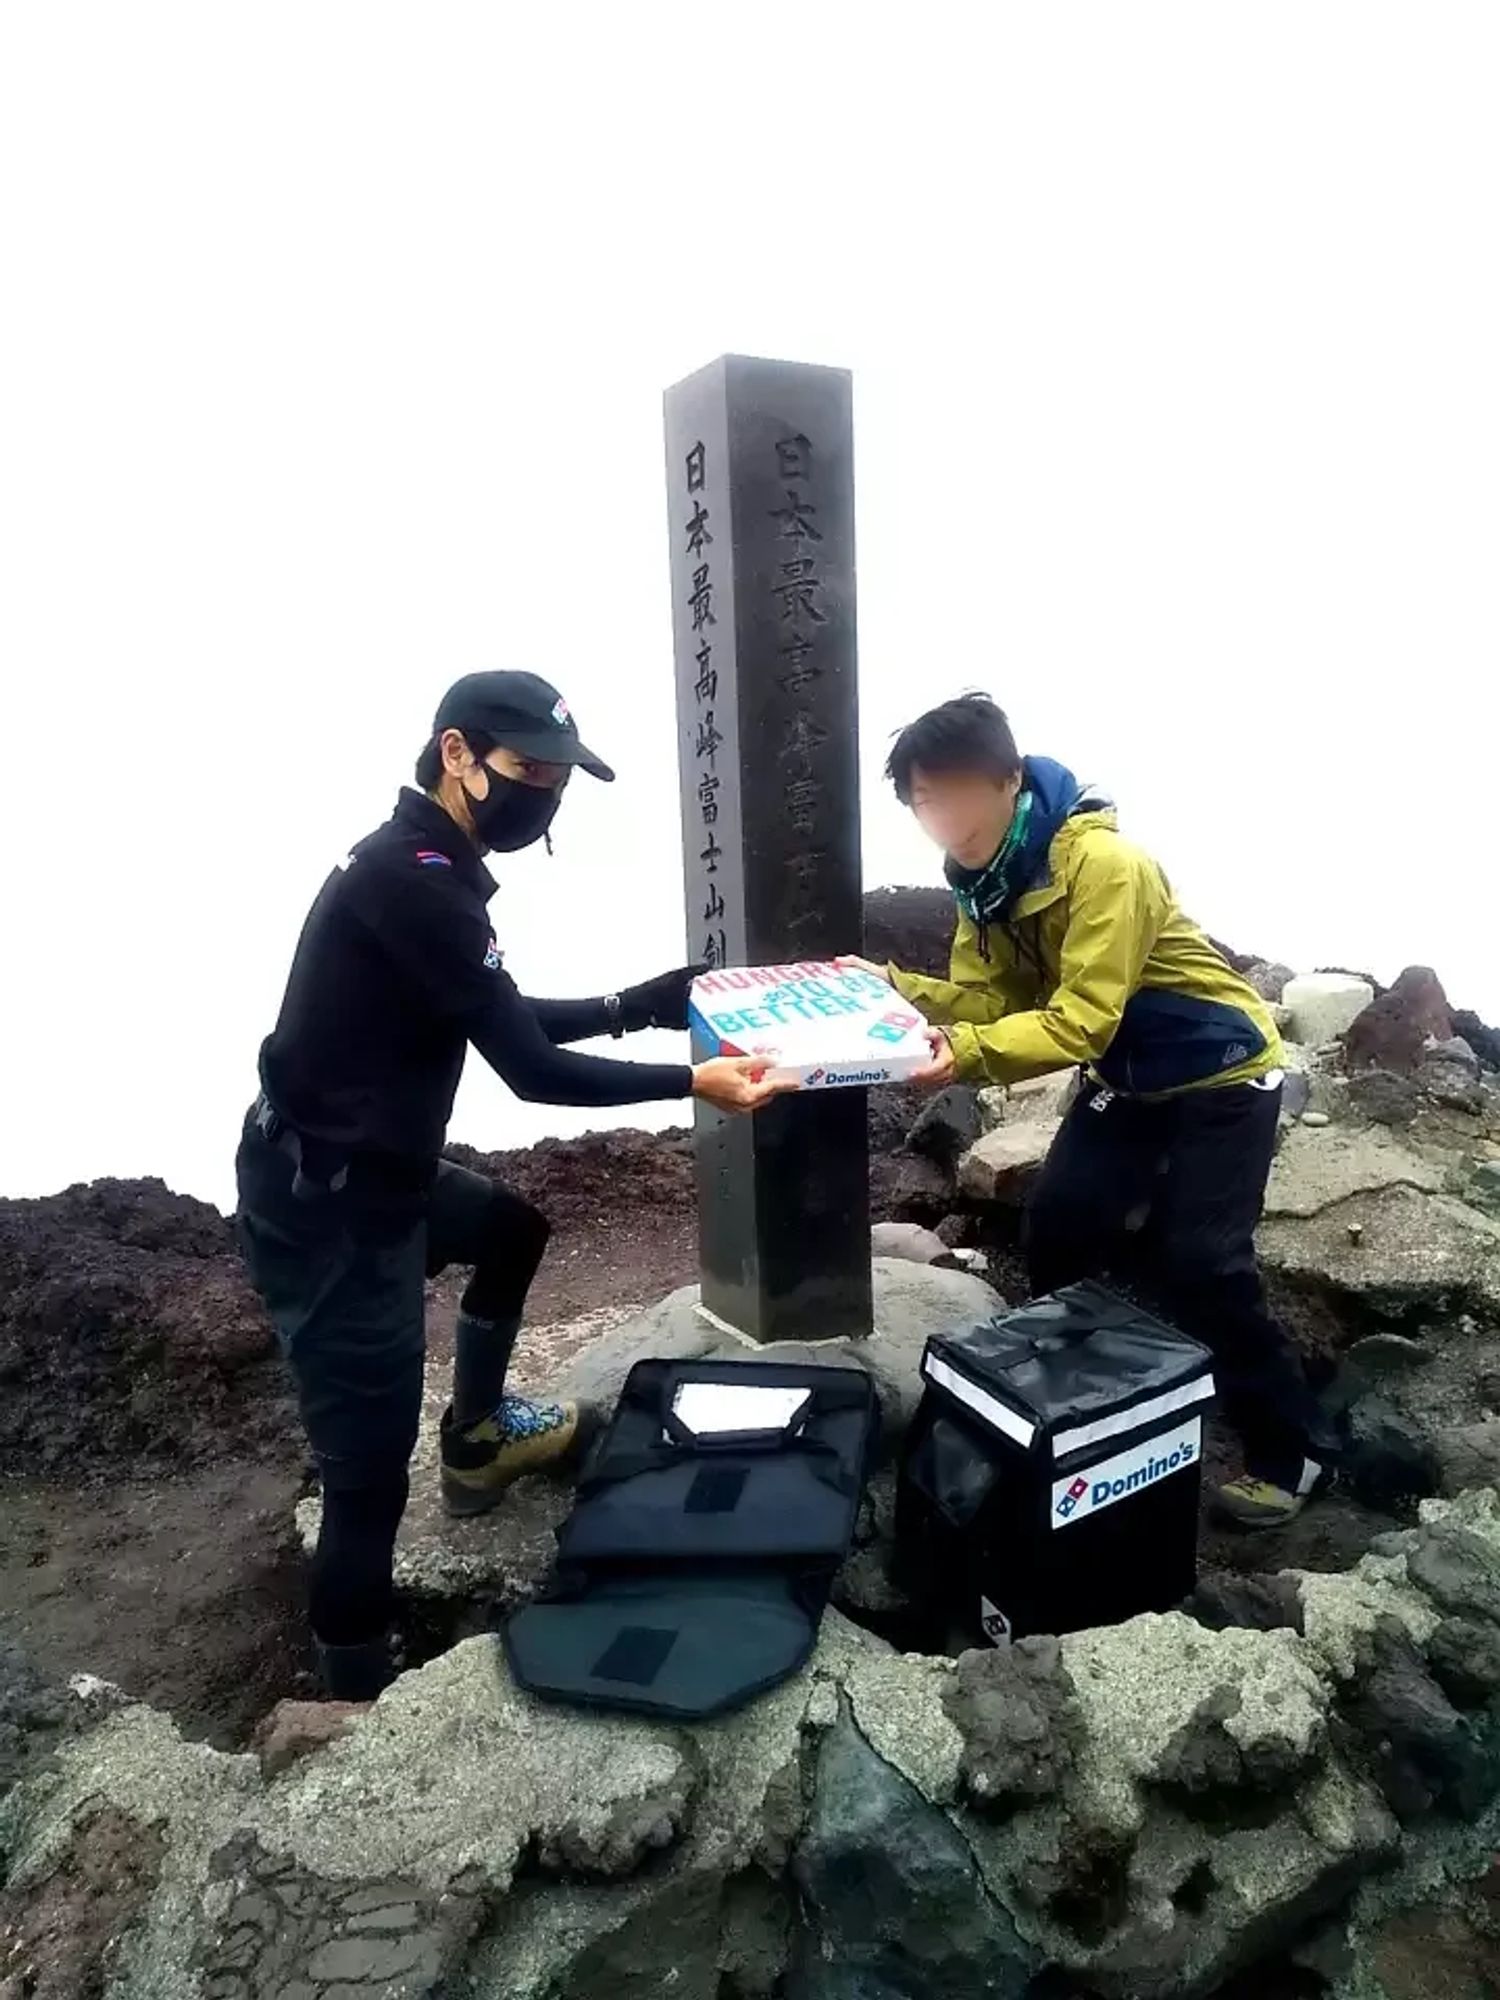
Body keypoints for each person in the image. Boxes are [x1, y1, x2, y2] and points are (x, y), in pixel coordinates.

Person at [236, 669, 789, 1698]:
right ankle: (350, 1690)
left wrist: (636, 1002)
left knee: (511, 1228)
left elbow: (490, 1004)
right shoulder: (415, 879)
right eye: (527, 768)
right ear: (456, 753)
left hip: (374, 1172)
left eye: (559, 776)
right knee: (364, 1479)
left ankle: (480, 1439)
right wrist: (696, 1079)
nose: (544, 794)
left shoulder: (427, 866)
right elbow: (531, 1069)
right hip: (331, 1205)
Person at [844, 693, 1335, 1528]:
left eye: (955, 792)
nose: (941, 816)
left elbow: (1080, 1019)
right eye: (923, 802)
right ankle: (1096, 1400)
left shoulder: (1106, 866)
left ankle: (1295, 1454)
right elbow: (988, 993)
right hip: (1130, 1078)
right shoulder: (978, 879)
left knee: (1206, 1261)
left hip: (1220, 1069)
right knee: (1060, 1224)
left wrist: (962, 1054)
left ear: (1006, 780)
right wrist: (896, 990)